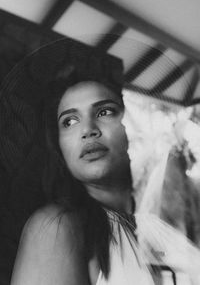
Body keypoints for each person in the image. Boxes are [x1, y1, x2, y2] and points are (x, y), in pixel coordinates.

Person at [1, 39, 200, 285]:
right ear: (59, 146)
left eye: (104, 112)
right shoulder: (58, 227)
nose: (88, 130)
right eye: (69, 121)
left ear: (129, 129)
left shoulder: (161, 228)